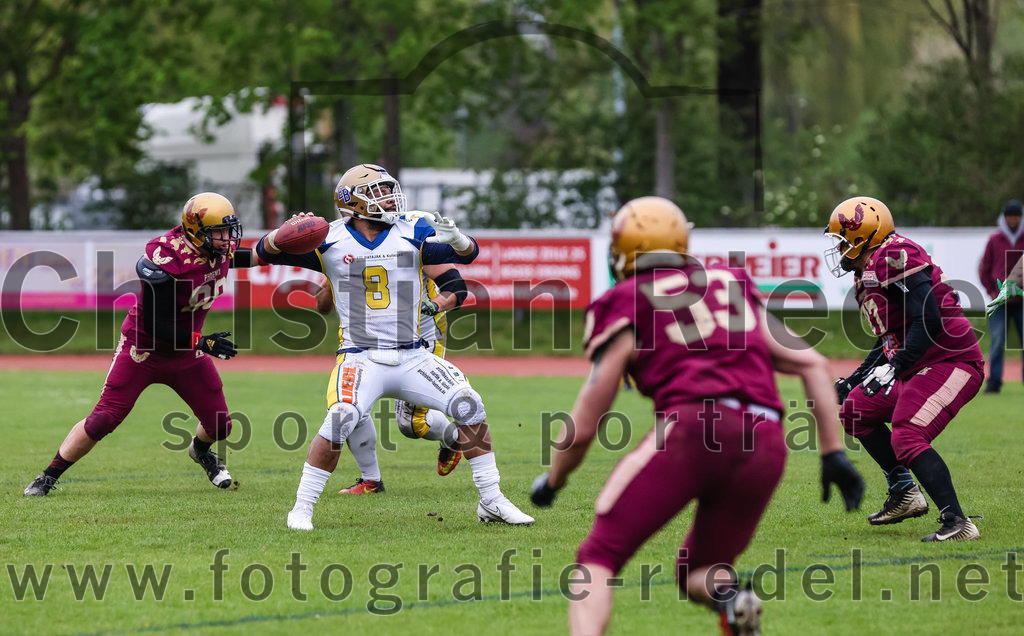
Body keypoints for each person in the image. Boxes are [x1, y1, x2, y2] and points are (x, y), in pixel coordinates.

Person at [530, 196, 864, 636]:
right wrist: (833, 453)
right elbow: (813, 364)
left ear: (624, 250)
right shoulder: (729, 283)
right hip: (765, 439)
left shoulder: (626, 299)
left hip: (693, 428)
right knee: (700, 571)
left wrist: (553, 481)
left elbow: (583, 427)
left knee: (598, 557)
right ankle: (732, 600)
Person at [256, 163, 533, 530]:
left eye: (389, 190)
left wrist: (458, 240)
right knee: (341, 417)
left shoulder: (412, 229)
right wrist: (279, 235)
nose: (389, 197)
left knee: (469, 404)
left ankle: (492, 500)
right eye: (378, 192)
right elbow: (264, 253)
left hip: (413, 354)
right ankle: (302, 508)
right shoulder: (329, 239)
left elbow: (467, 256)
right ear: (353, 202)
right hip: (361, 355)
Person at [24, 193, 259, 496]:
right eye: (219, 232)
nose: (227, 239)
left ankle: (200, 451)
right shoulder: (166, 258)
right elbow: (156, 326)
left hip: (186, 352)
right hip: (143, 349)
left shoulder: (215, 251)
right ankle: (47, 477)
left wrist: (290, 243)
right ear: (196, 232)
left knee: (220, 426)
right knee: (103, 419)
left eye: (228, 231)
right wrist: (203, 342)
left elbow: (257, 255)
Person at [827, 196, 983, 542]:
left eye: (841, 240)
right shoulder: (869, 272)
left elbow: (929, 319)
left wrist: (896, 366)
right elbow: (890, 338)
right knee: (855, 410)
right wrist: (855, 379)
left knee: (907, 432)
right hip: (918, 365)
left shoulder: (896, 254)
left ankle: (958, 522)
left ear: (862, 236)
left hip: (951, 360)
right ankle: (905, 492)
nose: (838, 249)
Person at [313, 261, 467, 494]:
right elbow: (322, 306)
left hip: (420, 338)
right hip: (366, 340)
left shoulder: (413, 240)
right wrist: (332, 269)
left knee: (412, 424)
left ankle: (454, 437)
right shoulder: (344, 247)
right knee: (350, 405)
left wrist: (436, 304)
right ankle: (371, 481)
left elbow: (453, 283)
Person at [978, 199, 1024, 393]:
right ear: (1004, 218)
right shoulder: (995, 240)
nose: (1013, 219)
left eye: (1016, 216)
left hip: (1022, 300)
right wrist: (991, 291)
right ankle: (994, 382)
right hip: (1000, 300)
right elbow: (985, 268)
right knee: (997, 341)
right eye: (1009, 216)